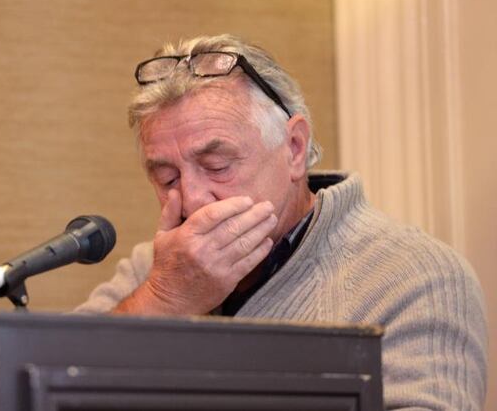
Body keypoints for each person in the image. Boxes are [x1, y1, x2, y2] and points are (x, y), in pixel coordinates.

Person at [75, 34, 487, 410]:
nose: (193, 199)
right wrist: (163, 301)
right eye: (167, 178)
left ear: (293, 148)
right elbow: (42, 386)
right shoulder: (158, 269)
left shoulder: (418, 277)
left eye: (217, 166)